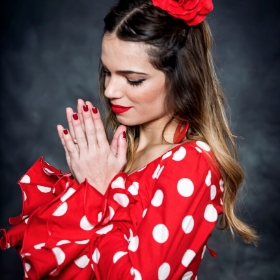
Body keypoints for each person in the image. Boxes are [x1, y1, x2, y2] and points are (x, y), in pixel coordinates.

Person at [0, 0, 258, 279]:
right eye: (106, 72)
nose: (110, 90)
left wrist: (102, 188)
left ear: (183, 78)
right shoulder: (123, 155)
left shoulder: (191, 163)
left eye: (133, 79)